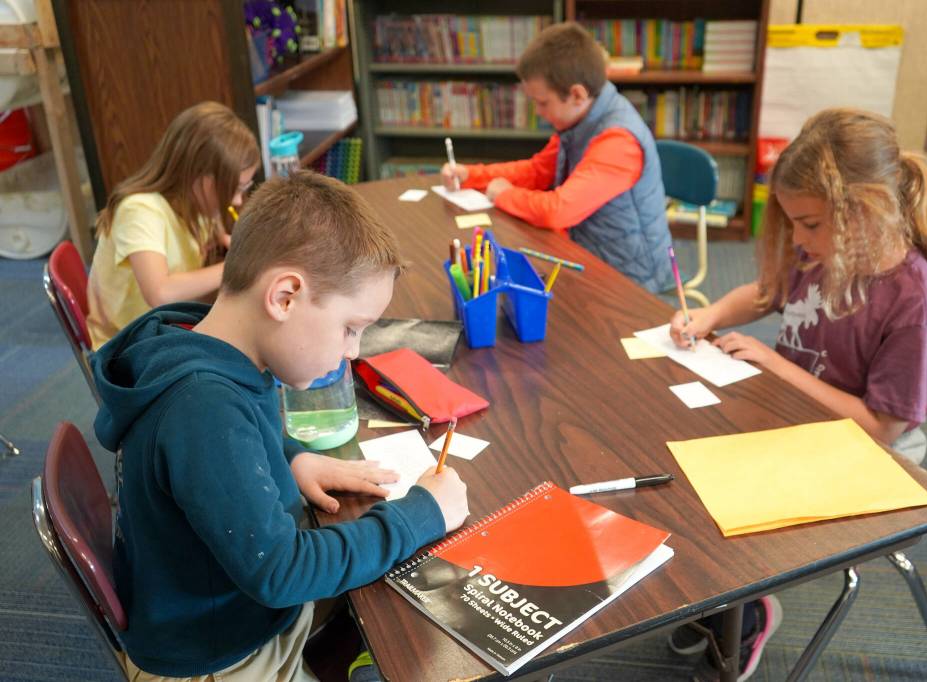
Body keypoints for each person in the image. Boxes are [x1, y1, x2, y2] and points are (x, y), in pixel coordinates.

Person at [90, 171, 470, 680]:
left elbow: (228, 446)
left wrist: (291, 456)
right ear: (285, 296)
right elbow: (281, 570)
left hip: (221, 609)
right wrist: (421, 515)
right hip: (221, 658)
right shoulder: (202, 409)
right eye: (350, 328)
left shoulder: (202, 343)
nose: (353, 351)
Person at [667, 108, 927, 680]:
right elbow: (763, 293)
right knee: (683, 456)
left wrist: (778, 367)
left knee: (729, 496)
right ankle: (723, 594)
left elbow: (882, 428)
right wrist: (707, 314)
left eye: (808, 224)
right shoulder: (826, 250)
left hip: (874, 454)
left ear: (868, 211)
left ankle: (748, 604)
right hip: (800, 419)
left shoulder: (916, 302)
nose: (799, 242)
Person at [440, 22, 673, 293]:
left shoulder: (619, 141)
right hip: (586, 255)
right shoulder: (579, 120)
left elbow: (558, 210)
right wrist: (471, 175)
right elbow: (538, 170)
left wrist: (504, 194)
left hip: (630, 280)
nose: (538, 112)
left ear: (576, 94)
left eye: (542, 102)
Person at [86, 101, 261, 349]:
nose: (235, 199)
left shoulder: (196, 205)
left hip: (164, 326)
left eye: (243, 188)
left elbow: (218, 234)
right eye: (234, 188)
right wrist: (237, 266)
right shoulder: (139, 210)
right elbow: (160, 292)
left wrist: (231, 242)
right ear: (200, 177)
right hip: (127, 346)